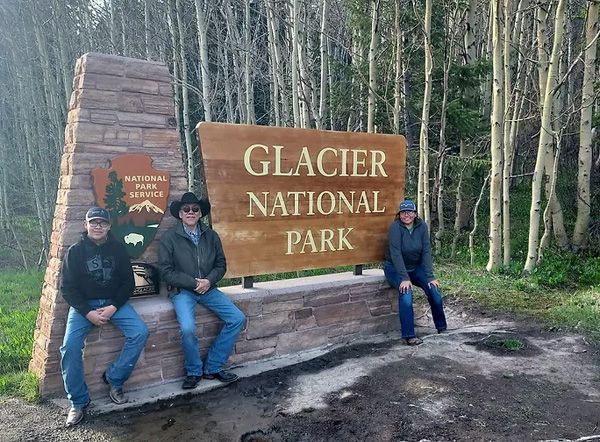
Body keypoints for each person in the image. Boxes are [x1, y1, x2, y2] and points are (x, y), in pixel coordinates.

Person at [60, 207, 149, 427]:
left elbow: (128, 283)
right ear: (86, 224)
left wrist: (113, 307)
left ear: (109, 226)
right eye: (94, 222)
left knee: (140, 332)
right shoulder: (75, 251)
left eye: (102, 223)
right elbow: (67, 288)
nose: (98, 226)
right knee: (70, 347)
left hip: (113, 303)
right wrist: (87, 313)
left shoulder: (118, 249)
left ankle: (115, 379)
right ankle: (78, 402)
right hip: (84, 307)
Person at [158, 192, 246, 389]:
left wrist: (208, 281)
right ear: (180, 214)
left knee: (237, 318)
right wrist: (192, 283)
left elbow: (221, 265)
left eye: (195, 209)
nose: (190, 212)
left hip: (208, 288)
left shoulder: (211, 236)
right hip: (182, 291)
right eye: (186, 209)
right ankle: (194, 371)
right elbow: (165, 270)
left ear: (200, 213)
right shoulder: (169, 238)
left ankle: (213, 367)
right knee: (188, 328)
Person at [383, 200, 447, 345]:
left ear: (415, 214)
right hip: (394, 268)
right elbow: (396, 254)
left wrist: (430, 276)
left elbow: (426, 251)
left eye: (410, 212)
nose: (406, 215)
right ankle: (409, 335)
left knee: (434, 290)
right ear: (399, 215)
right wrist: (404, 278)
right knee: (406, 293)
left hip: (415, 267)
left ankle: (441, 327)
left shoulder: (422, 226)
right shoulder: (395, 228)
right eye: (403, 212)